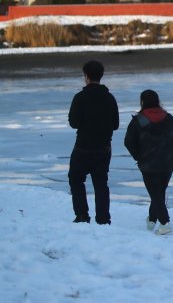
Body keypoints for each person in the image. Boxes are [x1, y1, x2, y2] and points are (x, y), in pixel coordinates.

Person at [124, 89, 173, 235]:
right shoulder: (169, 118)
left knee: (156, 193)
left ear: (142, 102)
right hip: (168, 162)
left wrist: (138, 156)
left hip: (148, 162)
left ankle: (164, 223)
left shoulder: (138, 120)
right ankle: (151, 219)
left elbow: (128, 142)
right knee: (158, 192)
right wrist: (171, 152)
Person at [68, 60, 120, 224]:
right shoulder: (110, 98)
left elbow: (74, 123)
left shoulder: (80, 97)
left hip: (83, 146)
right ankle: (103, 218)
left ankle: (82, 214)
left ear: (86, 76)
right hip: (103, 148)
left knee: (76, 179)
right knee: (101, 183)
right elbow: (116, 124)